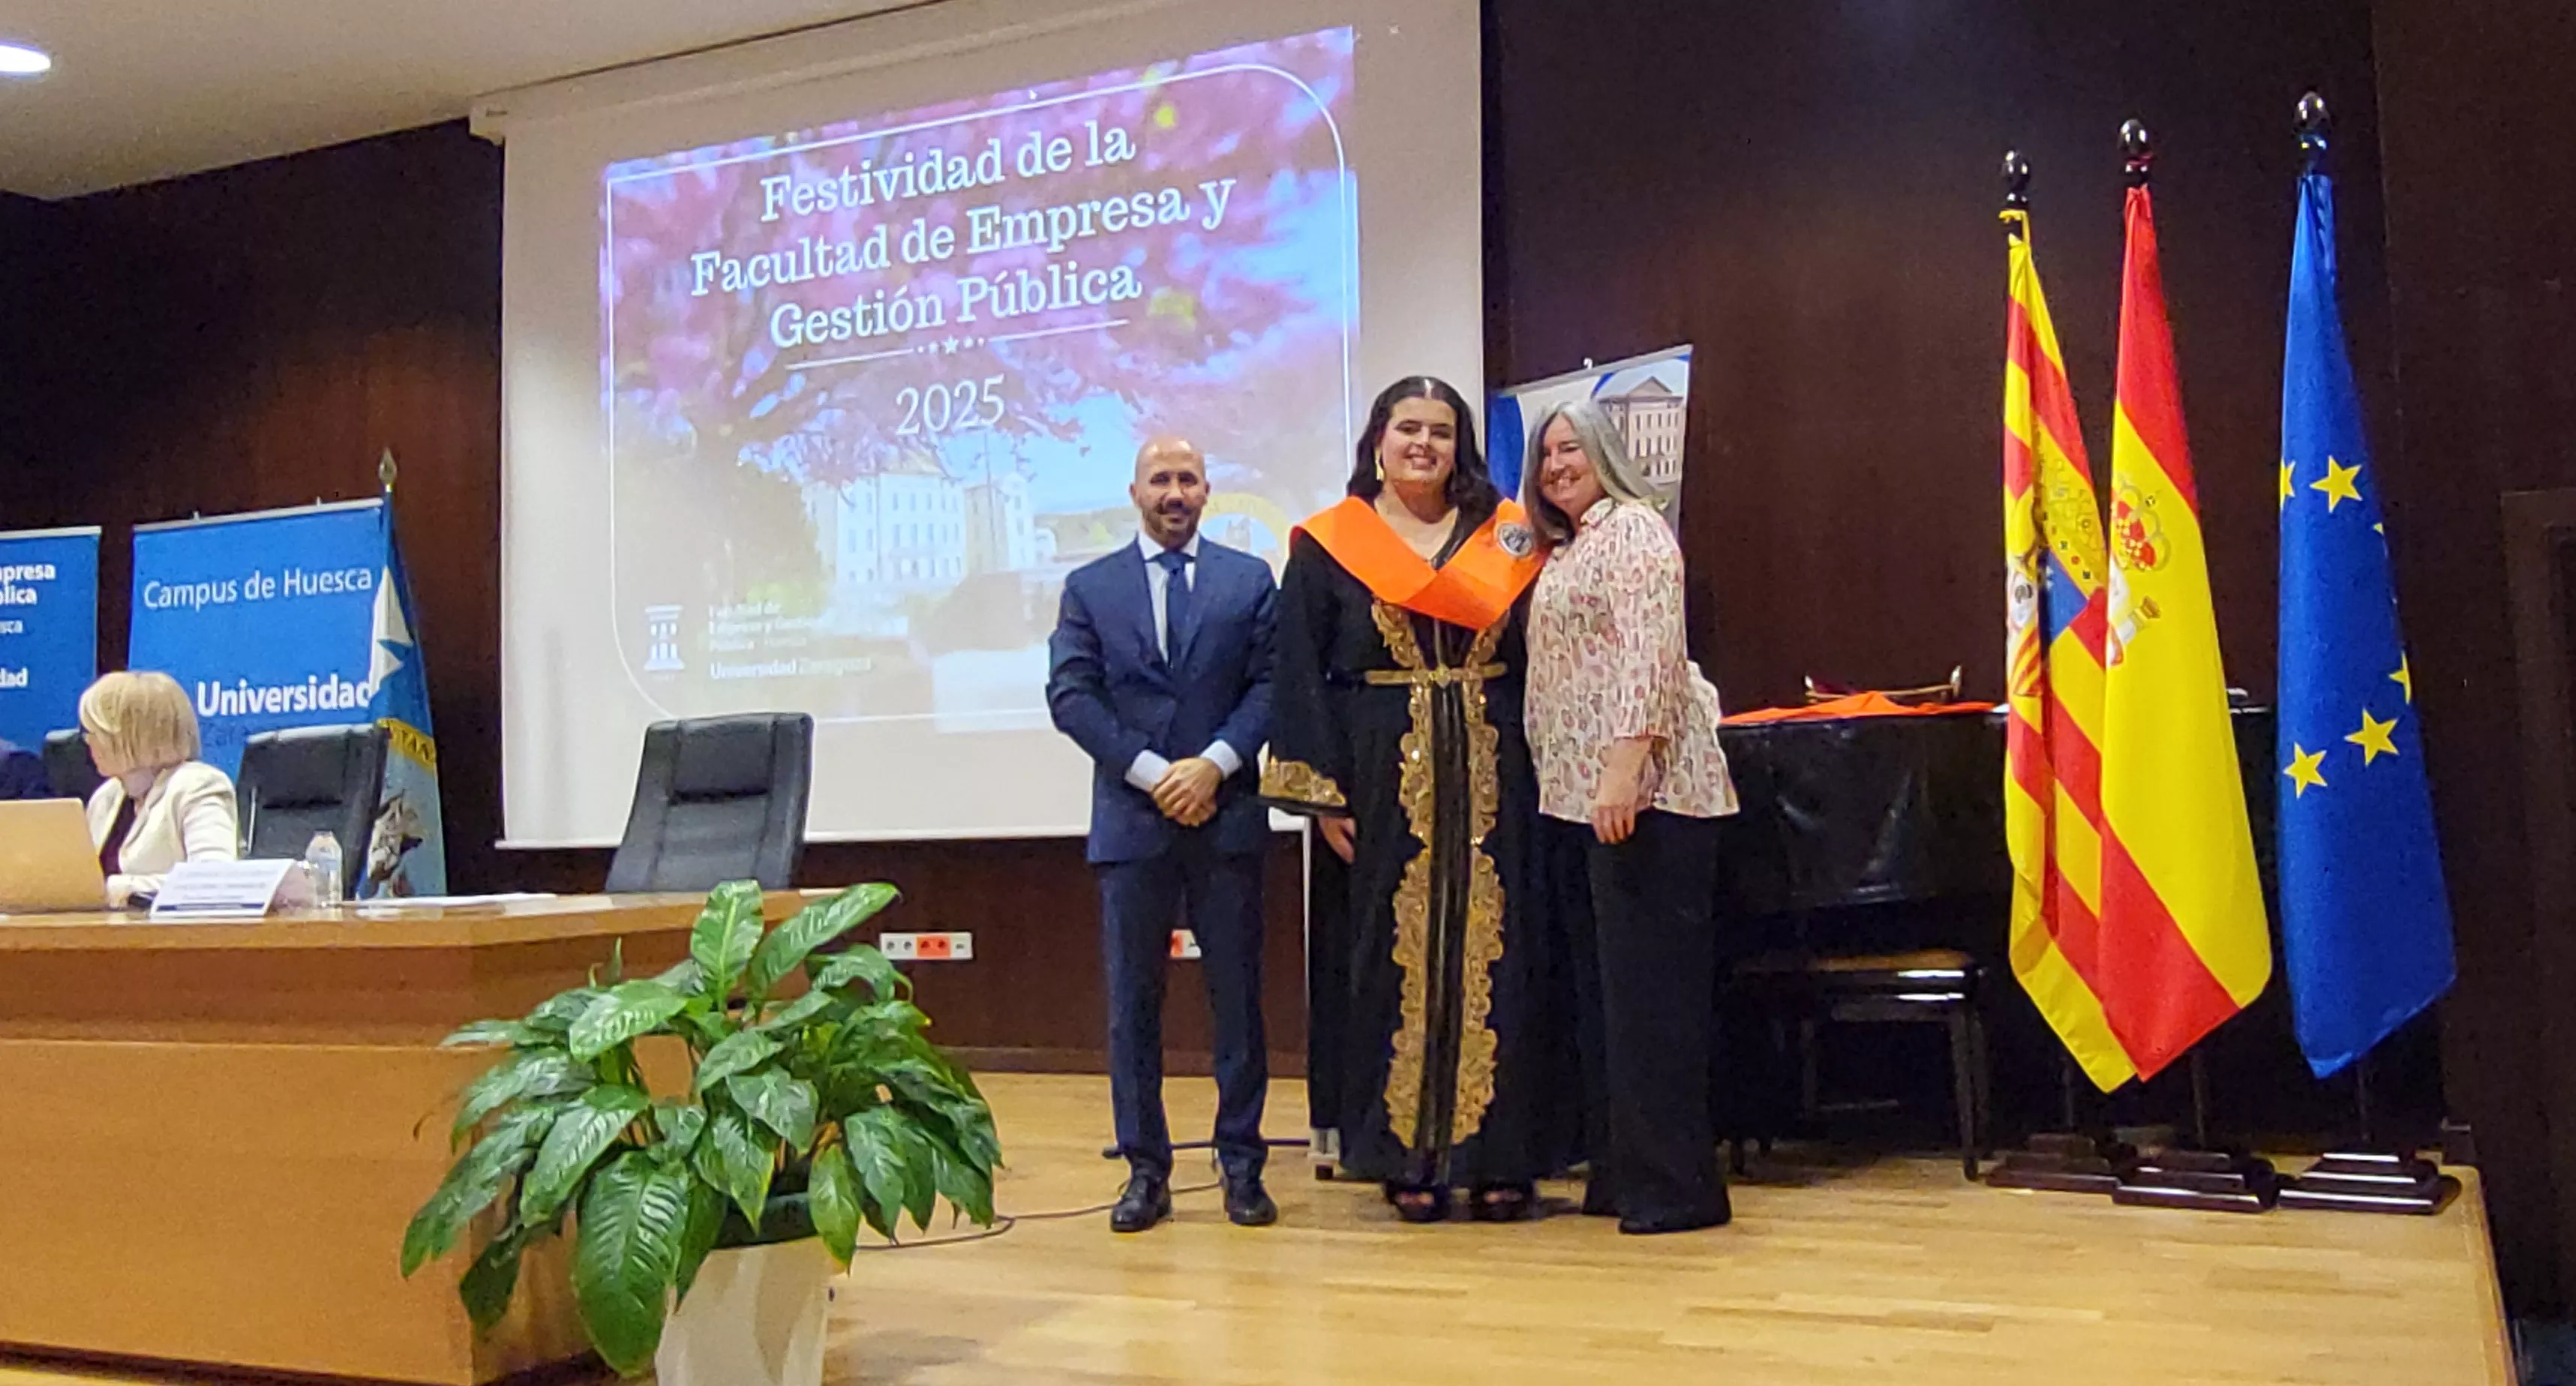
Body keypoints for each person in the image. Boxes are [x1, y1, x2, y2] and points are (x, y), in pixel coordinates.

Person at [1262, 376, 1576, 1223]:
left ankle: (1503, 1155)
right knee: (1393, 959)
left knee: (1503, 952)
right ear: (1377, 438)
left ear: (1459, 444)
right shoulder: (1330, 545)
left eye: (1440, 431)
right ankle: (1409, 1155)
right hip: (1380, 774)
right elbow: (1299, 671)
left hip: (1496, 769)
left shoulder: (1506, 534)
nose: (1422, 445)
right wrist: (1322, 795)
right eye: (1408, 428)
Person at [1046, 436, 1280, 1234]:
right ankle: (1144, 1170)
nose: (1173, 493)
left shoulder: (1248, 581)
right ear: (1134, 491)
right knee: (1131, 1006)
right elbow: (1071, 697)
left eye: (1186, 479)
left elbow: (1269, 687)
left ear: (1208, 491)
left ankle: (1241, 1164)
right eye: (1159, 480)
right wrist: (1155, 774)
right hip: (1132, 822)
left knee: (1238, 1002)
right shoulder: (1088, 587)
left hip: (1227, 816)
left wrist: (1211, 767)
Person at [1522, 399, 1738, 1235]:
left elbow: (1650, 652)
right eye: (1544, 457)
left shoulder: (1637, 531)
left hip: (1649, 798)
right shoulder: (1574, 546)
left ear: (1606, 453)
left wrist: (1623, 768)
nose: (1555, 467)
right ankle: (1622, 1174)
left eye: (1570, 449)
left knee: (1652, 1007)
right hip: (1585, 805)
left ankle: (1677, 1189)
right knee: (1609, 1003)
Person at [78, 670, 240, 907]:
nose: (88, 742)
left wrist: (119, 888)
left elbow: (214, 880)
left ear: (134, 736)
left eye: (96, 733)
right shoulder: (106, 797)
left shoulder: (198, 786)